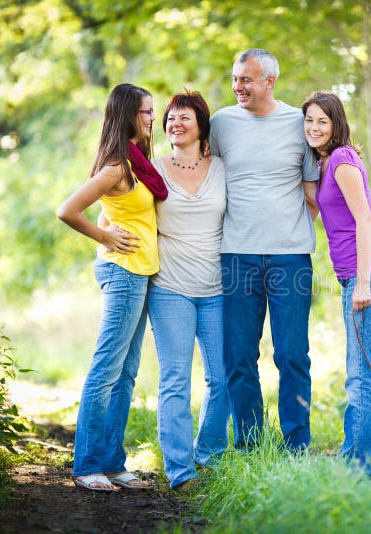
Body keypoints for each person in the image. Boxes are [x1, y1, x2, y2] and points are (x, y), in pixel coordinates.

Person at [57, 83, 167, 492]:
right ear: (128, 116)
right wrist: (105, 237)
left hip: (141, 272)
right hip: (122, 272)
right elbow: (67, 210)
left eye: (153, 111)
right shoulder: (117, 167)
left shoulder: (140, 163)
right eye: (146, 112)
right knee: (106, 370)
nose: (152, 118)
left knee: (126, 373)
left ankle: (112, 462)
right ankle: (87, 465)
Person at [209, 48, 319, 451]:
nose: (238, 86)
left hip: (290, 257)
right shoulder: (221, 123)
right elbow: (204, 176)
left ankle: (296, 446)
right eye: (235, 78)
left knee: (292, 355)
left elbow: (314, 193)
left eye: (246, 80)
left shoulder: (297, 122)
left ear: (269, 81)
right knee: (238, 357)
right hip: (236, 255)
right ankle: (251, 446)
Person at [301, 91, 371, 482]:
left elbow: (363, 220)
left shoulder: (341, 159)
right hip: (361, 274)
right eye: (309, 120)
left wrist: (361, 284)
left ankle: (355, 473)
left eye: (322, 121)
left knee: (360, 375)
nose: (314, 127)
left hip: (368, 276)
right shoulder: (327, 162)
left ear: (336, 123)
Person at [144, 89, 231, 491]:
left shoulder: (222, 169)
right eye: (170, 119)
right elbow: (120, 207)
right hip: (170, 289)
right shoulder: (152, 168)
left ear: (201, 127)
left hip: (217, 289)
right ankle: (180, 470)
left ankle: (207, 453)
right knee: (175, 380)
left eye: (184, 118)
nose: (175, 124)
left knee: (224, 377)